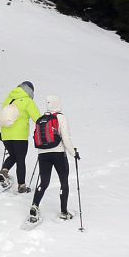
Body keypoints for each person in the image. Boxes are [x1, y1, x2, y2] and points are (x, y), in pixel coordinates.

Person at [28, 95, 79, 223]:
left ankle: (35, 205)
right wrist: (73, 153)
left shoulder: (41, 119)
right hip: (58, 153)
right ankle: (63, 212)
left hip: (43, 154)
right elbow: (66, 138)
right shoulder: (60, 117)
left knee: (44, 182)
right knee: (63, 181)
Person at [0, 81, 41, 193]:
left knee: (13, 155)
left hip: (6, 135)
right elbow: (38, 119)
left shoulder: (9, 99)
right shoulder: (27, 101)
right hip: (20, 136)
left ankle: (4, 170)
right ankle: (22, 185)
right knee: (20, 159)